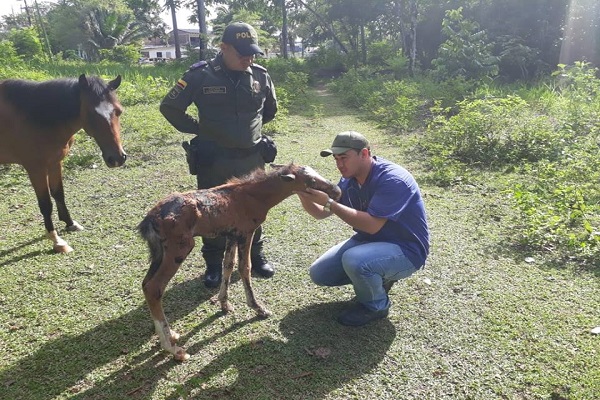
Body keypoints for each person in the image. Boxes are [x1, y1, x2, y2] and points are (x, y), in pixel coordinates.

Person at [159, 22, 278, 288]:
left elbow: (269, 110)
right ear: (223, 47)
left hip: (251, 158)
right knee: (211, 212)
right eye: (242, 52)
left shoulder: (259, 75)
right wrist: (200, 129)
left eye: (252, 52)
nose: (249, 58)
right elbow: (170, 107)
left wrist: (250, 131)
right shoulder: (200, 75)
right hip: (215, 159)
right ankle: (213, 263)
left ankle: (255, 255)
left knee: (254, 208)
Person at [295, 131, 430, 326]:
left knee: (356, 260)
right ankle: (379, 276)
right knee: (320, 273)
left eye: (344, 158)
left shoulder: (393, 179)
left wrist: (330, 203)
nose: (339, 165)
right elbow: (320, 213)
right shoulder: (349, 180)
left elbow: (372, 225)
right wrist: (301, 192)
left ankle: (376, 306)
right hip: (370, 242)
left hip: (406, 249)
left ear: (364, 154)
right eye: (336, 159)